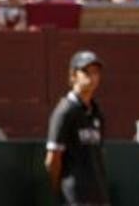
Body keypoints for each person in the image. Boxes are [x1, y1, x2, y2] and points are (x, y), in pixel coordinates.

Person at [46, 50, 108, 206]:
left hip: (98, 196)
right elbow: (52, 160)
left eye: (96, 72)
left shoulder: (97, 112)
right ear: (73, 75)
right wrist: (61, 191)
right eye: (86, 71)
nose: (92, 77)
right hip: (74, 197)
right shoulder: (65, 111)